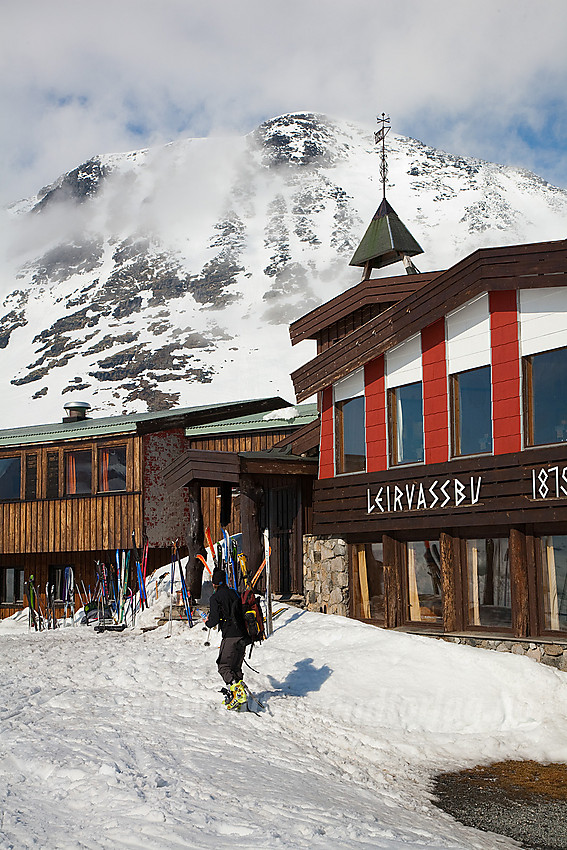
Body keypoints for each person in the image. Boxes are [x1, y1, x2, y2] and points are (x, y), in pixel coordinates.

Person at [205, 567, 249, 709]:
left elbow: (214, 620)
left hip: (230, 636)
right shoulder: (235, 593)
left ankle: (238, 692)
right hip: (243, 635)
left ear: (214, 584)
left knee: (223, 666)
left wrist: (207, 621)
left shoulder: (215, 597)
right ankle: (237, 696)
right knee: (235, 667)